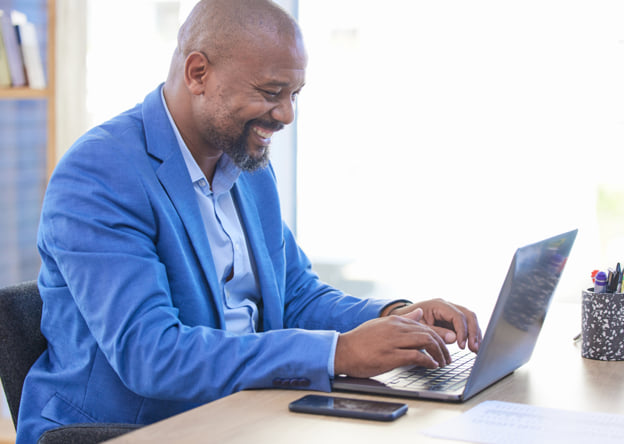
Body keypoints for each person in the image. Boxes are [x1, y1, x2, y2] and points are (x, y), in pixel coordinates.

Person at [17, 0, 481, 441]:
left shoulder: (247, 164)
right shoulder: (102, 173)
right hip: (131, 431)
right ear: (198, 73)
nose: (286, 115)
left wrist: (397, 318)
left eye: (294, 94)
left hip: (244, 414)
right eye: (270, 93)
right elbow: (151, 355)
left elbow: (294, 294)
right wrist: (338, 352)